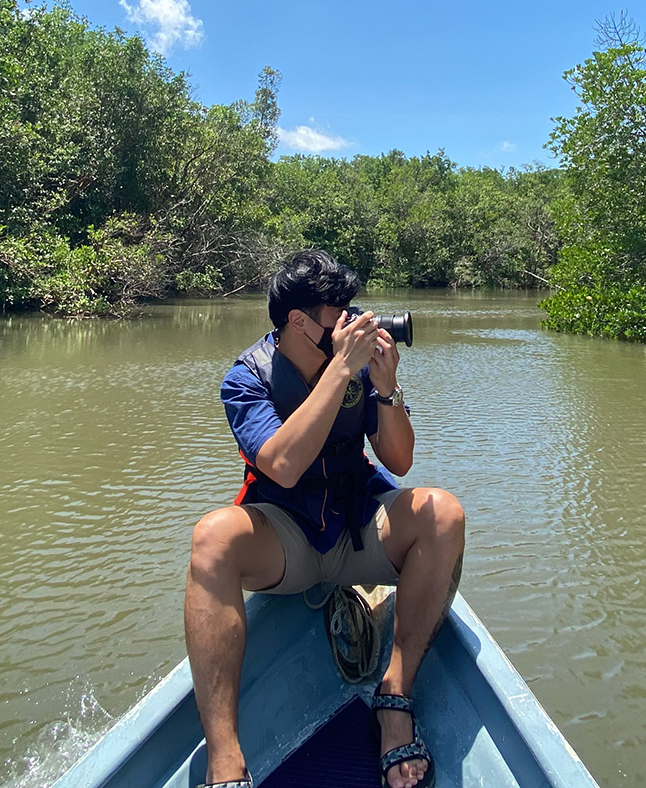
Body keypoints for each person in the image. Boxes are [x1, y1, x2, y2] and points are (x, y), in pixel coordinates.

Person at [185, 250, 465, 788]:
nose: (351, 321)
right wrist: (339, 371)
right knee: (212, 538)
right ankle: (225, 759)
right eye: (338, 313)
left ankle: (394, 698)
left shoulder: (358, 370)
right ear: (298, 321)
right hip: (286, 533)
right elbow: (282, 466)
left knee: (443, 513)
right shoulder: (247, 379)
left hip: (357, 524)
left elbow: (400, 461)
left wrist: (386, 389)